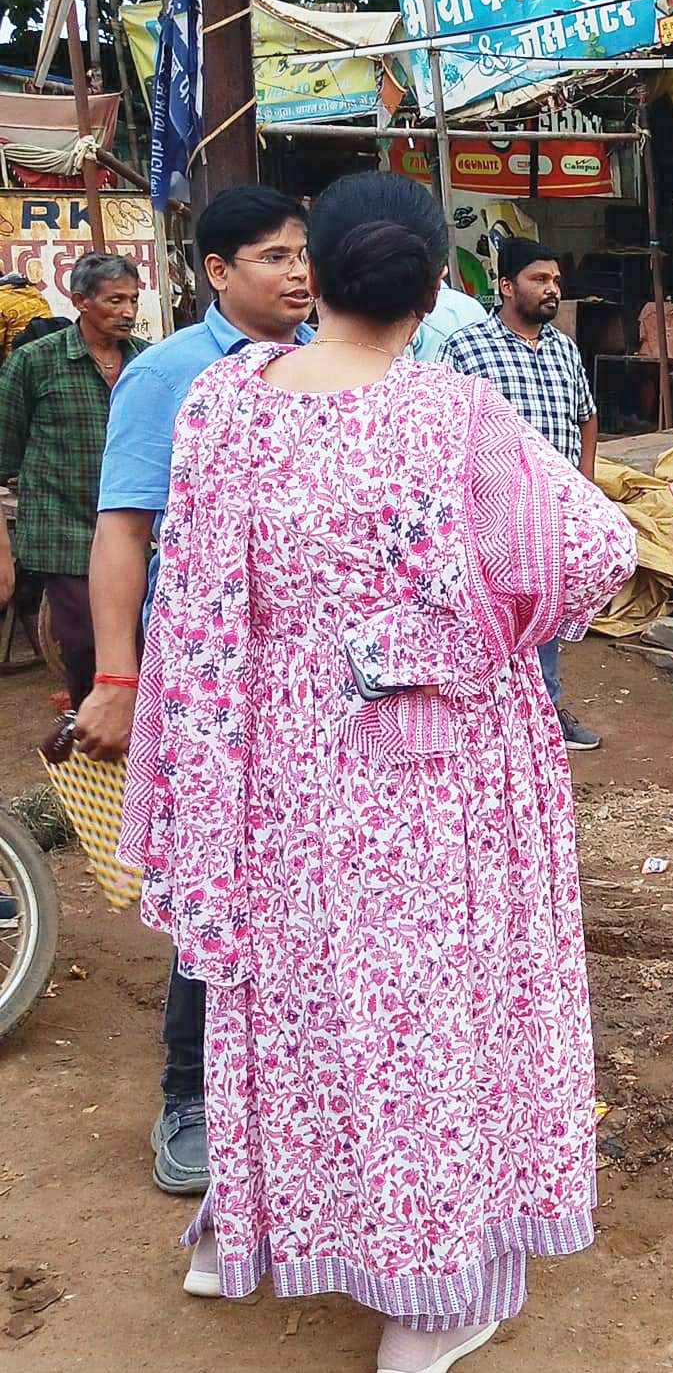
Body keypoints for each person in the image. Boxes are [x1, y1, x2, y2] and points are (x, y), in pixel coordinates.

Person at [116, 172, 635, 1373]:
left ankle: (252, 1222)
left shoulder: (225, 402)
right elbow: (595, 549)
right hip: (431, 762)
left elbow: (189, 602)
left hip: (279, 758)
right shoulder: (453, 414)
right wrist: (460, 641)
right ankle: (431, 1298)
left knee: (306, 1000)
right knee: (424, 1011)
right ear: (438, 285)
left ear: (322, 273)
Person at [76, 186, 312, 1199]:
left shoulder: (333, 363)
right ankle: (189, 1098)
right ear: (217, 270)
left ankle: (294, 1091)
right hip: (209, 681)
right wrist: (118, 676)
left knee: (303, 885)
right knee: (214, 883)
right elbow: (125, 531)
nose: (297, 273)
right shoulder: (172, 372)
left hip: (310, 686)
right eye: (272, 256)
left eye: (305, 253)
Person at [439, 237, 602, 751]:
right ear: (506, 287)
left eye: (556, 280)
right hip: (490, 513)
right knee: (490, 615)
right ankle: (490, 721)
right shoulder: (465, 348)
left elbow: (587, 415)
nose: (552, 289)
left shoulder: (564, 347)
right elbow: (442, 428)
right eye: (539, 280)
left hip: (553, 513)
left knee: (546, 613)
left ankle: (547, 712)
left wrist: (585, 481)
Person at [0, 251, 146, 710]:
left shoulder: (146, 362)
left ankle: (135, 746)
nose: (127, 312)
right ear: (81, 301)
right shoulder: (34, 363)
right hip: (64, 530)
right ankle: (95, 742)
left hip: (133, 527)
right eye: (115, 300)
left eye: (133, 300)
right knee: (86, 642)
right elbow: (3, 446)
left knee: (139, 639)